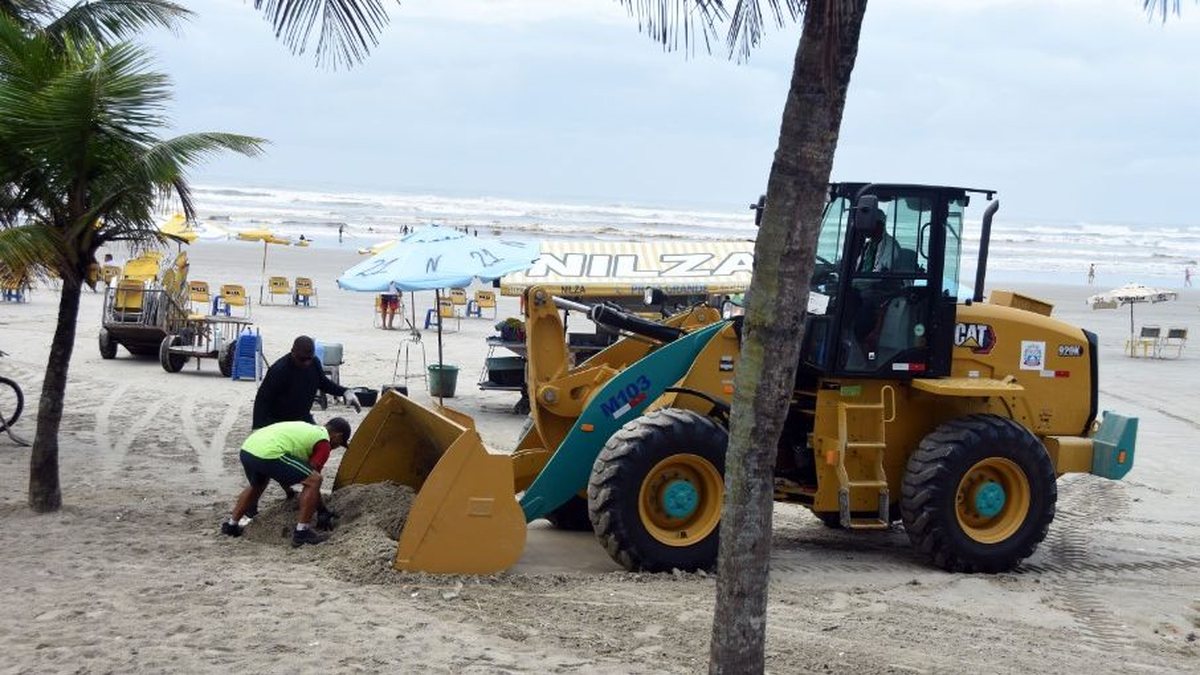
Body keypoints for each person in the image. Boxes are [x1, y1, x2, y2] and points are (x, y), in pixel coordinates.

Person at [220, 418, 352, 547]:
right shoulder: (324, 443)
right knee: (315, 480)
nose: (336, 447)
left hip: (248, 449)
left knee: (258, 484)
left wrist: (289, 492)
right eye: (340, 443)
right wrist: (322, 510)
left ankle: (232, 525)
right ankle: (302, 532)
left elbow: (285, 471)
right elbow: (311, 477)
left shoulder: (308, 430)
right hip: (269, 452)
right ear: (337, 435)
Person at [253, 336, 360, 430]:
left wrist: (345, 392)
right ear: (292, 352)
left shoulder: (314, 363)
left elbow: (324, 383)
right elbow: (262, 399)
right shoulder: (279, 370)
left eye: (309, 358)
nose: (306, 363)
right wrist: (257, 427)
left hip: (303, 418)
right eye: (302, 359)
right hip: (279, 421)